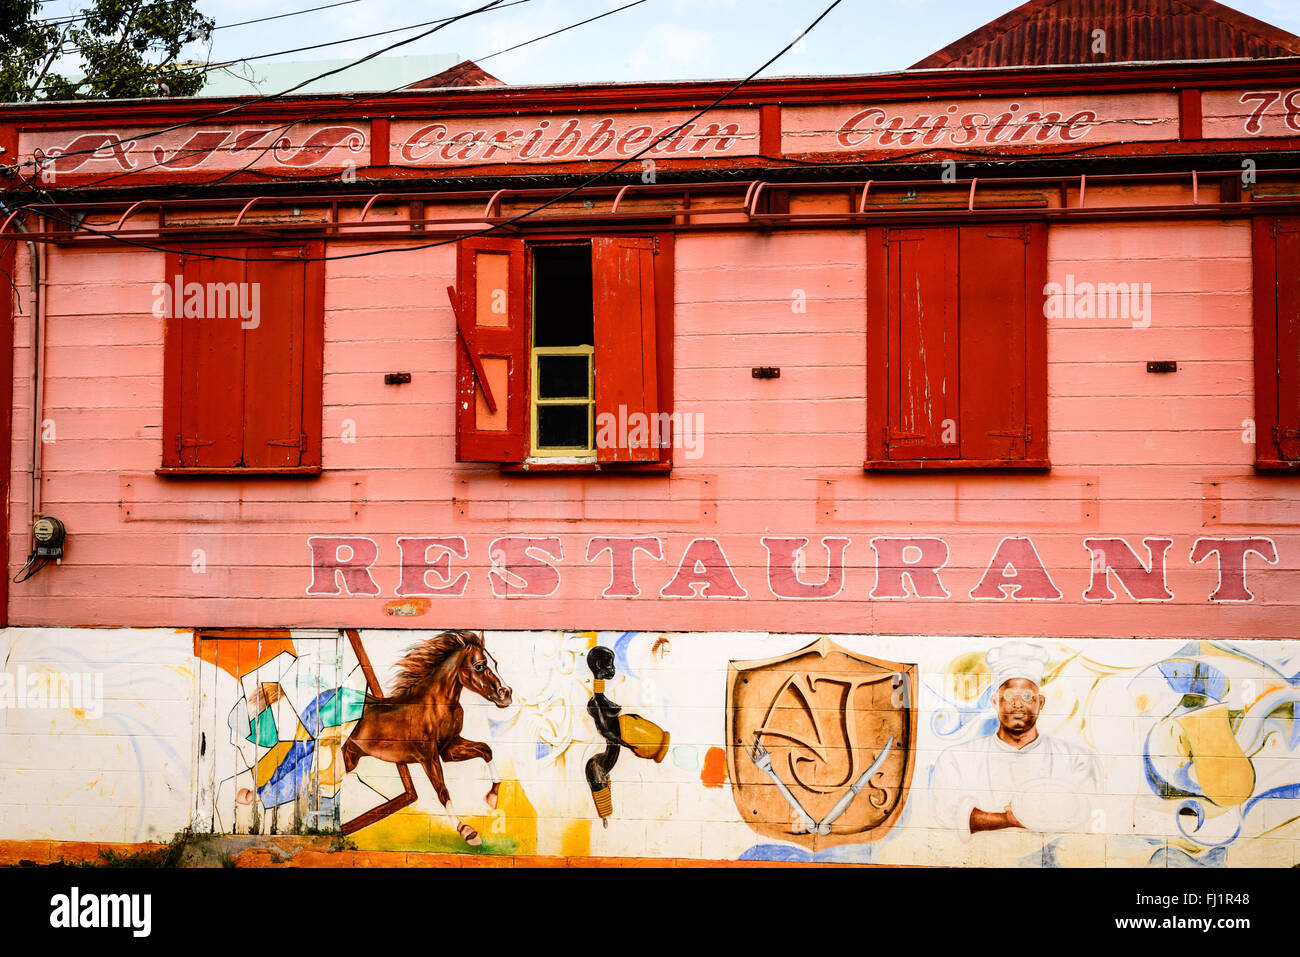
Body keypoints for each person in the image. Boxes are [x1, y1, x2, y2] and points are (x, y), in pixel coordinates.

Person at [930, 641, 1103, 840]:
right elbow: (948, 814)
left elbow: (1086, 817)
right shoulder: (957, 759)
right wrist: (1009, 820)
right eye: (1010, 694)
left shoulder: (1078, 760)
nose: (1018, 704)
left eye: (1028, 695)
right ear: (995, 701)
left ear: (1041, 702)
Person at [584, 646, 670, 826]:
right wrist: (627, 743)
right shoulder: (597, 704)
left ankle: (606, 827)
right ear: (599, 666)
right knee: (605, 812)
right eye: (609, 664)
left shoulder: (600, 701)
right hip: (597, 767)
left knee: (606, 813)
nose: (613, 669)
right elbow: (607, 731)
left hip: (603, 764)